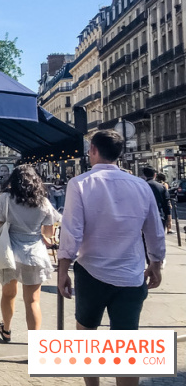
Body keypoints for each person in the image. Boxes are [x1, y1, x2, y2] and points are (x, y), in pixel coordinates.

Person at [58, 130, 165, 386]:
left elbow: (71, 231)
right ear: (120, 154)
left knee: (86, 337)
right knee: (127, 346)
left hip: (91, 271)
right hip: (131, 273)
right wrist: (155, 264)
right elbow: (155, 230)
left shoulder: (80, 183)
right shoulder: (140, 185)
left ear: (93, 149)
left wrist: (63, 269)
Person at [0, 165, 61, 343]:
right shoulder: (43, 202)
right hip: (34, 254)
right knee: (32, 301)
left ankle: (6, 329)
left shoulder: (5, 199)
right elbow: (48, 233)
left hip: (10, 253)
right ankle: (35, 346)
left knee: (8, 294)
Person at [142, 167, 171, 234]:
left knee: (145, 240)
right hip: (159, 216)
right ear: (155, 175)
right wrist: (168, 218)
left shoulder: (142, 186)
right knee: (159, 240)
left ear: (144, 175)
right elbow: (167, 204)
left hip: (145, 218)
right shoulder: (161, 187)